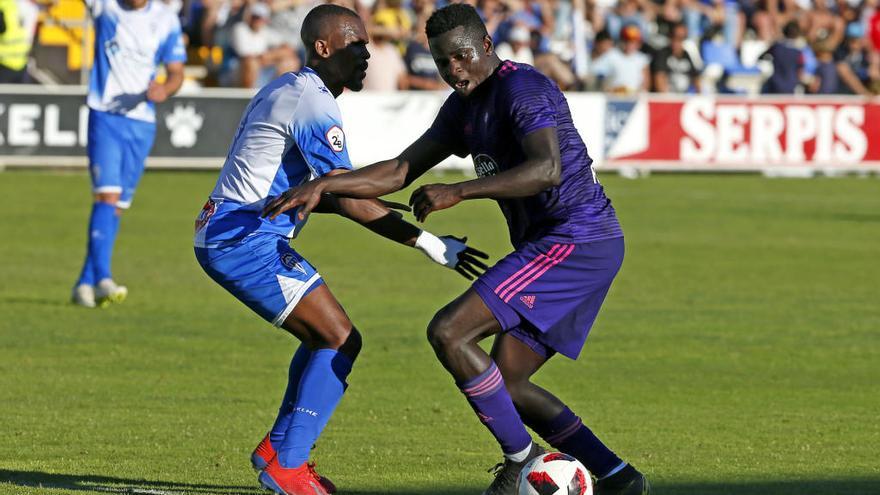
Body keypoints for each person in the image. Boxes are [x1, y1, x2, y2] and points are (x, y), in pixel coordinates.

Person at [261, 4, 651, 495]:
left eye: (463, 57)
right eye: (444, 63)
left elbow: (546, 168)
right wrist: (324, 186)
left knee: (450, 331)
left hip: (575, 239)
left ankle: (521, 462)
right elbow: (400, 171)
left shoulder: (521, 88)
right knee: (509, 386)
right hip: (569, 245)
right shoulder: (462, 107)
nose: (455, 71)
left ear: (487, 45)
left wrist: (459, 191)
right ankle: (619, 478)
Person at [193, 5, 487, 495]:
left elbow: (320, 194)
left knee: (323, 337)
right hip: (244, 238)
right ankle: (287, 466)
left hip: (236, 229)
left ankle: (280, 450)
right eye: (354, 46)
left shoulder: (290, 88)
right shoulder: (312, 102)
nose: (365, 55)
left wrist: (389, 216)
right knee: (340, 338)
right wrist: (428, 242)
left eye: (367, 45)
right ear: (323, 48)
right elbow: (346, 196)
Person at [72, 0, 186, 308]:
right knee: (107, 197)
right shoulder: (105, 7)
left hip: (142, 122)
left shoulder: (165, 19)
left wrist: (165, 88)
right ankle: (103, 278)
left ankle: (84, 283)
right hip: (105, 114)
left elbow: (176, 71)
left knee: (118, 205)